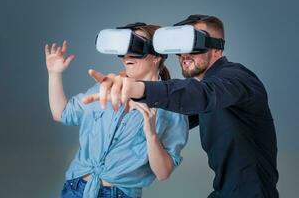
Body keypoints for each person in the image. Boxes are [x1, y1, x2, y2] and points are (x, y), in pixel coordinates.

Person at [83, 15, 279, 198]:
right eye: (179, 46)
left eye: (194, 45)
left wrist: (139, 88)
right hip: (224, 190)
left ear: (217, 49)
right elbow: (177, 112)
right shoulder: (205, 92)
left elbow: (200, 95)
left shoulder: (236, 78)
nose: (184, 54)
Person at [45, 23, 188, 198]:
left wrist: (151, 134)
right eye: (124, 47)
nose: (127, 55)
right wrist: (54, 73)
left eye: (135, 47)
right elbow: (62, 113)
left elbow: (163, 173)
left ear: (156, 56)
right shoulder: (105, 88)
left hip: (117, 194)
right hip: (75, 187)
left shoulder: (171, 107)